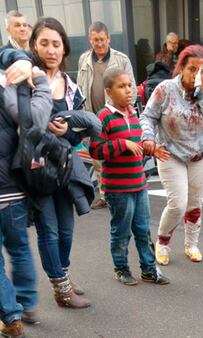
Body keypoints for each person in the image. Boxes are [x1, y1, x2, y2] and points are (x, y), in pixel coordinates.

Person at [9, 17, 92, 309]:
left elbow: (78, 131)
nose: (51, 50)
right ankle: (61, 288)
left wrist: (66, 131)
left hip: (63, 167)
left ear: (64, 48)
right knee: (49, 229)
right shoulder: (27, 78)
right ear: (33, 46)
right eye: (44, 43)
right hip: (36, 167)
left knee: (67, 229)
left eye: (56, 44)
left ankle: (63, 274)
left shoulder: (72, 87)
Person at [140, 45, 203, 266]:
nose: (196, 74)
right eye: (191, 69)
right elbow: (147, 116)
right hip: (170, 154)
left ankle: (191, 244)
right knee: (178, 203)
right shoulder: (165, 89)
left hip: (200, 156)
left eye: (202, 70)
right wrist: (148, 138)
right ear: (181, 69)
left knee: (194, 204)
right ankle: (162, 242)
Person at [89, 67, 170, 285]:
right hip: (118, 188)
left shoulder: (135, 115)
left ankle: (148, 270)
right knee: (121, 232)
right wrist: (122, 144)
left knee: (143, 231)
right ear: (108, 91)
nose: (128, 91)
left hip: (138, 184)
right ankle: (121, 269)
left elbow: (137, 145)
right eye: (121, 86)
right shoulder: (104, 117)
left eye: (129, 86)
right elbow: (96, 150)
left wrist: (149, 149)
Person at [0, 53, 51, 337]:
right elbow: (33, 120)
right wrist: (40, 79)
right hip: (12, 187)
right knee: (20, 248)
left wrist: (18, 56)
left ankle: (11, 315)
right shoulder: (6, 81)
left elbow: (9, 52)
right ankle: (28, 304)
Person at [77, 21, 137, 210]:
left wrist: (125, 111)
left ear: (108, 38)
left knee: (117, 153)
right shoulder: (84, 60)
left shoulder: (121, 59)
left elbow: (132, 88)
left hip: (115, 115)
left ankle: (123, 191)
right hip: (93, 116)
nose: (99, 44)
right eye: (95, 40)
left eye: (102, 39)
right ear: (90, 40)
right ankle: (105, 194)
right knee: (97, 157)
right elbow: (79, 89)